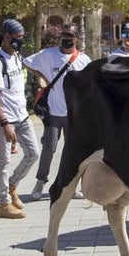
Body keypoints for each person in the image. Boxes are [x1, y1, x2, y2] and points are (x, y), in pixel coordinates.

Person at [23, 24, 90, 199]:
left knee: (73, 151)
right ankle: (40, 182)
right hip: (53, 113)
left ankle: (71, 186)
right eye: (64, 35)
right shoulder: (49, 54)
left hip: (73, 115)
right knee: (49, 148)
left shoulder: (83, 60)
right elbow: (26, 62)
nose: (67, 38)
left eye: (70, 35)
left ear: (77, 38)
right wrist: (43, 77)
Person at [0, 19, 40, 219]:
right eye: (17, 37)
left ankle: (12, 185)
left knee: (33, 153)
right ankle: (3, 203)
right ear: (6, 37)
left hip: (22, 116)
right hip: (5, 120)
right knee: (4, 162)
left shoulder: (17, 56)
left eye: (22, 37)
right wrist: (4, 123)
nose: (20, 41)